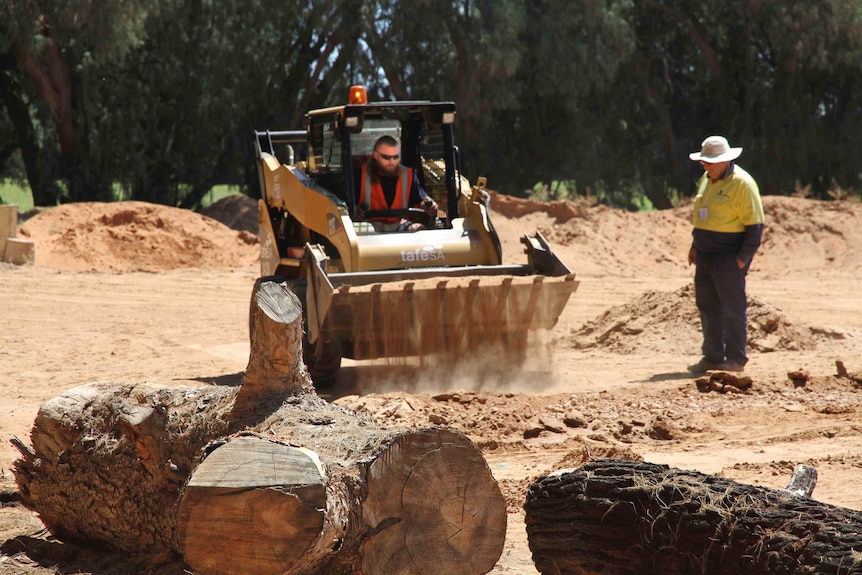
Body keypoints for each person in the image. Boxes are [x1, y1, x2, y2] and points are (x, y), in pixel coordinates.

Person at [686, 135, 765, 374]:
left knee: (732, 308)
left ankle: (736, 359)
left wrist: (741, 259)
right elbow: (703, 214)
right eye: (704, 161)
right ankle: (712, 357)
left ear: (725, 160)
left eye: (710, 162)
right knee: (707, 306)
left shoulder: (743, 184)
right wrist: (695, 244)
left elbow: (755, 227)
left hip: (729, 254)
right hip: (705, 254)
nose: (705, 165)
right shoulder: (706, 180)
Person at [357, 135, 438, 232]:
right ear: (375, 156)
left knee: (418, 229)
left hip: (399, 225)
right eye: (386, 157)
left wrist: (430, 205)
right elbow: (347, 206)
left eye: (395, 157)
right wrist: (355, 210)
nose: (392, 162)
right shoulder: (360, 175)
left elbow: (422, 199)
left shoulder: (408, 174)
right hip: (369, 227)